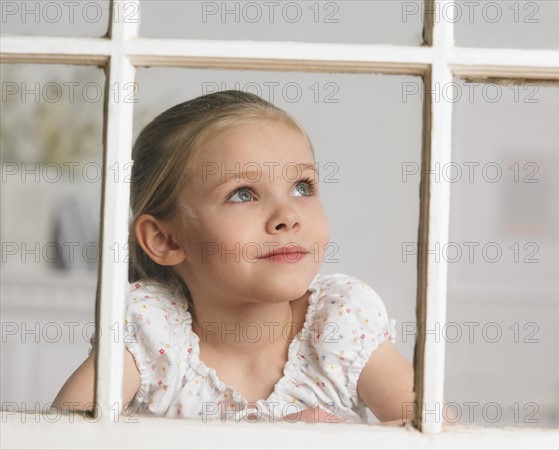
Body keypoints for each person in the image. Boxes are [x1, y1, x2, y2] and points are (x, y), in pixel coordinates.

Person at [54, 90, 415, 425]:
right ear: (165, 239)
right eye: (243, 194)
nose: (287, 216)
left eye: (301, 187)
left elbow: (436, 433)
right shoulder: (150, 331)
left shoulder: (338, 324)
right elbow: (60, 438)